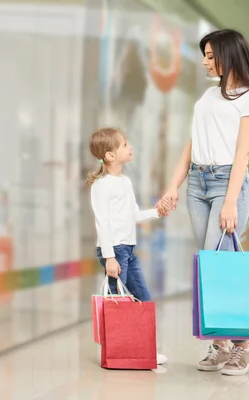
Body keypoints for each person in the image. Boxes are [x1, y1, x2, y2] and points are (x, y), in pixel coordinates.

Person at [157, 29, 249, 376]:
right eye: (204, 55)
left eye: (210, 55)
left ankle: (242, 348)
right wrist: (173, 186)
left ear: (228, 53)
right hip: (197, 184)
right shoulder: (207, 97)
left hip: (226, 184)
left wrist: (231, 200)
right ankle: (220, 346)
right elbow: (192, 146)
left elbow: (243, 153)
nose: (205, 61)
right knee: (210, 264)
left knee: (221, 264)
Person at [87, 127, 169, 366]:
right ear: (110, 155)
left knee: (142, 299)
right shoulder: (101, 185)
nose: (129, 147)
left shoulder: (125, 182)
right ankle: (119, 352)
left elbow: (133, 215)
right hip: (114, 250)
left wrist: (156, 212)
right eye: (124, 144)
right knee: (117, 304)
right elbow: (102, 222)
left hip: (128, 250)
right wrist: (110, 257)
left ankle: (142, 350)